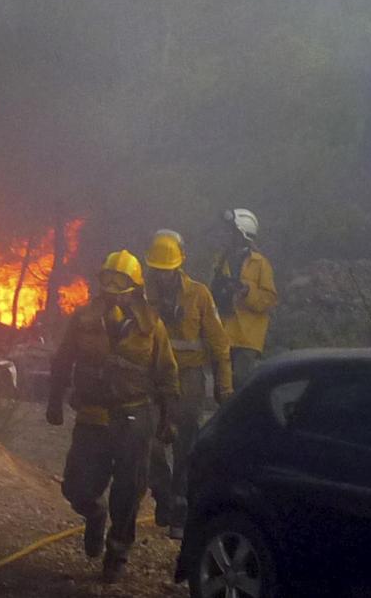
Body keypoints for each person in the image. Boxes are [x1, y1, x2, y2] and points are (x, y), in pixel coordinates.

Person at [47, 249, 179, 583]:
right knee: (76, 485)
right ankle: (93, 511)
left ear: (135, 285)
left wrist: (168, 419)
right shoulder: (83, 319)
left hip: (135, 417)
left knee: (129, 489)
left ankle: (117, 553)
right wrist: (54, 401)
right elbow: (62, 361)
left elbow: (166, 373)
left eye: (120, 280)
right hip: (93, 415)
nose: (112, 286)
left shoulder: (152, 325)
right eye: (107, 278)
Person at [143, 230, 231, 540]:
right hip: (154, 380)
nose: (164, 278)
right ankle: (162, 495)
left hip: (190, 379)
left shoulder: (199, 295)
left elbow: (220, 346)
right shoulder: (143, 297)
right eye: (158, 271)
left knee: (186, 447)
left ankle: (179, 511)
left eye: (169, 271)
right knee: (149, 440)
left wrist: (224, 388)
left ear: (180, 266)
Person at [211, 209, 278, 391]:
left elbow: (269, 299)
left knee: (241, 385)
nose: (225, 235)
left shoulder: (260, 263)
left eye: (230, 231)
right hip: (223, 335)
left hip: (247, 338)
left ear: (242, 234)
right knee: (221, 388)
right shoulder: (220, 261)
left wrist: (247, 291)